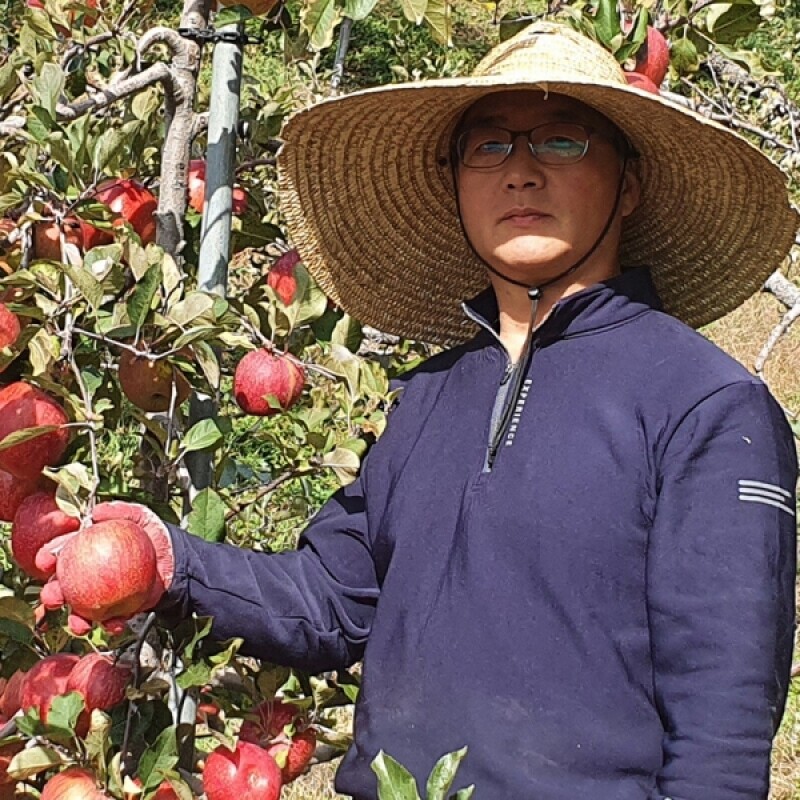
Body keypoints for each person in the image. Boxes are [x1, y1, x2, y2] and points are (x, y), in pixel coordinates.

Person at [52, 21, 799, 799]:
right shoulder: (429, 397)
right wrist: (174, 561)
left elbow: (723, 730)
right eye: (488, 147)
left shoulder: (705, 406)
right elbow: (333, 600)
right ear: (454, 181)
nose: (520, 173)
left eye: (563, 141)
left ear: (630, 184)